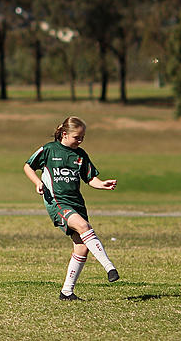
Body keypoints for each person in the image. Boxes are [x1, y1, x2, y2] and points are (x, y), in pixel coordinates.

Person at [23, 116, 119, 301]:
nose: (80, 141)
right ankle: (109, 267)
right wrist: (37, 183)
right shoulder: (49, 149)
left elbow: (90, 178)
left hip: (76, 203)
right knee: (84, 227)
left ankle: (67, 292)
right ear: (64, 134)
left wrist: (102, 184)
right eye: (77, 137)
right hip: (57, 202)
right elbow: (28, 166)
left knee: (82, 247)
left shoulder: (81, 155)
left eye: (83, 137)